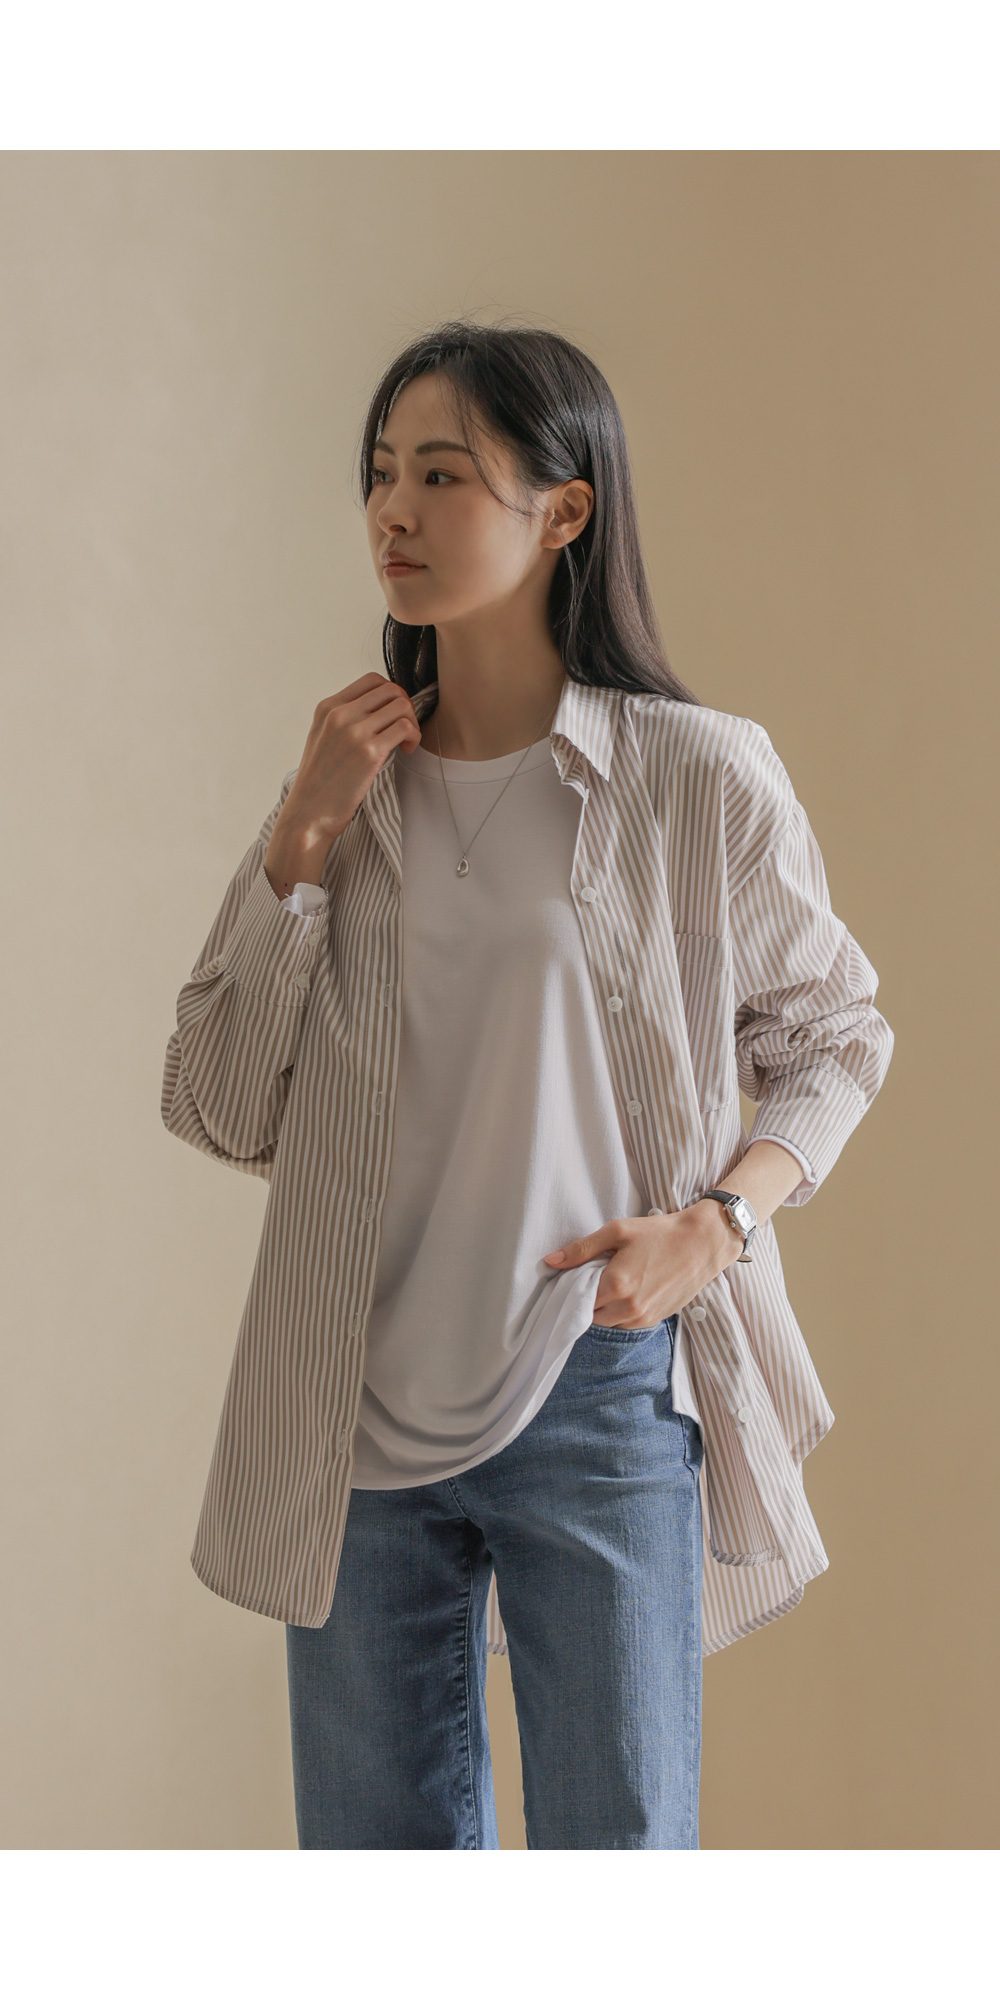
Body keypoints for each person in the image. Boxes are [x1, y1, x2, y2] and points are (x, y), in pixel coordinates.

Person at [162, 318, 894, 1850]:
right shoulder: (344, 797)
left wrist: (719, 1225)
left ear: (564, 511)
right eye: (380, 474)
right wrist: (297, 844)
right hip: (354, 1408)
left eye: (443, 475)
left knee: (615, 1871)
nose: (394, 512)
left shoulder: (695, 774)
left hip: (598, 1380)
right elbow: (221, 1103)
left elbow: (837, 1035)